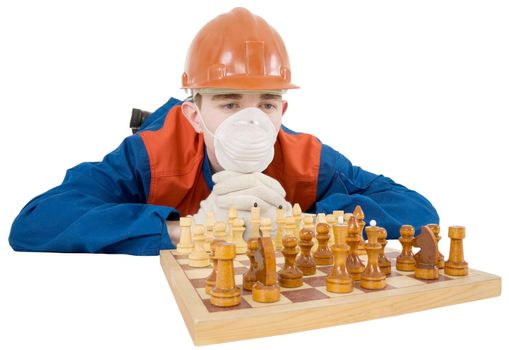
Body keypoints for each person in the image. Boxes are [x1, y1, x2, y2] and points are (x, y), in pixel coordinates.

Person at [8, 7, 439, 256]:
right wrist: (188, 230)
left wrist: (305, 224)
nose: (250, 122)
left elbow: (417, 212)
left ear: (282, 110)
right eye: (229, 102)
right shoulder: (151, 155)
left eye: (266, 104)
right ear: (195, 114)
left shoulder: (306, 158)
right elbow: (34, 224)